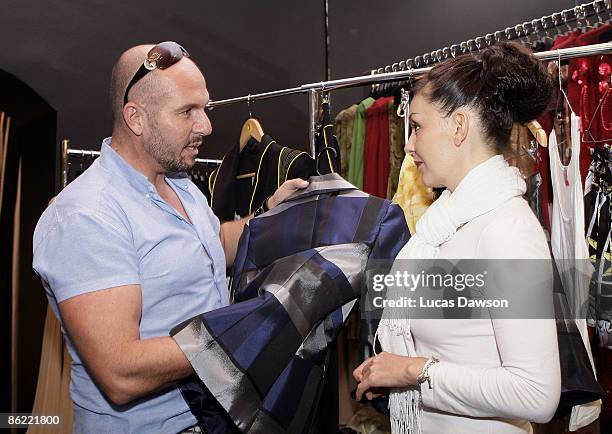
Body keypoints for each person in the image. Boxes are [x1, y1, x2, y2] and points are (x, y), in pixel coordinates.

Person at [32, 42, 308, 433]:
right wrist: (253, 329)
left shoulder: (180, 186)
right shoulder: (86, 215)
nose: (207, 126)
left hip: (216, 417)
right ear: (136, 118)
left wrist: (271, 214)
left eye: (204, 108)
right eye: (187, 112)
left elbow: (216, 244)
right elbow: (122, 373)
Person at [353, 42, 562, 433]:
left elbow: (537, 393)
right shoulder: (447, 223)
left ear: (459, 126)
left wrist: (411, 371)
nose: (409, 145)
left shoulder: (506, 231)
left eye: (416, 126)